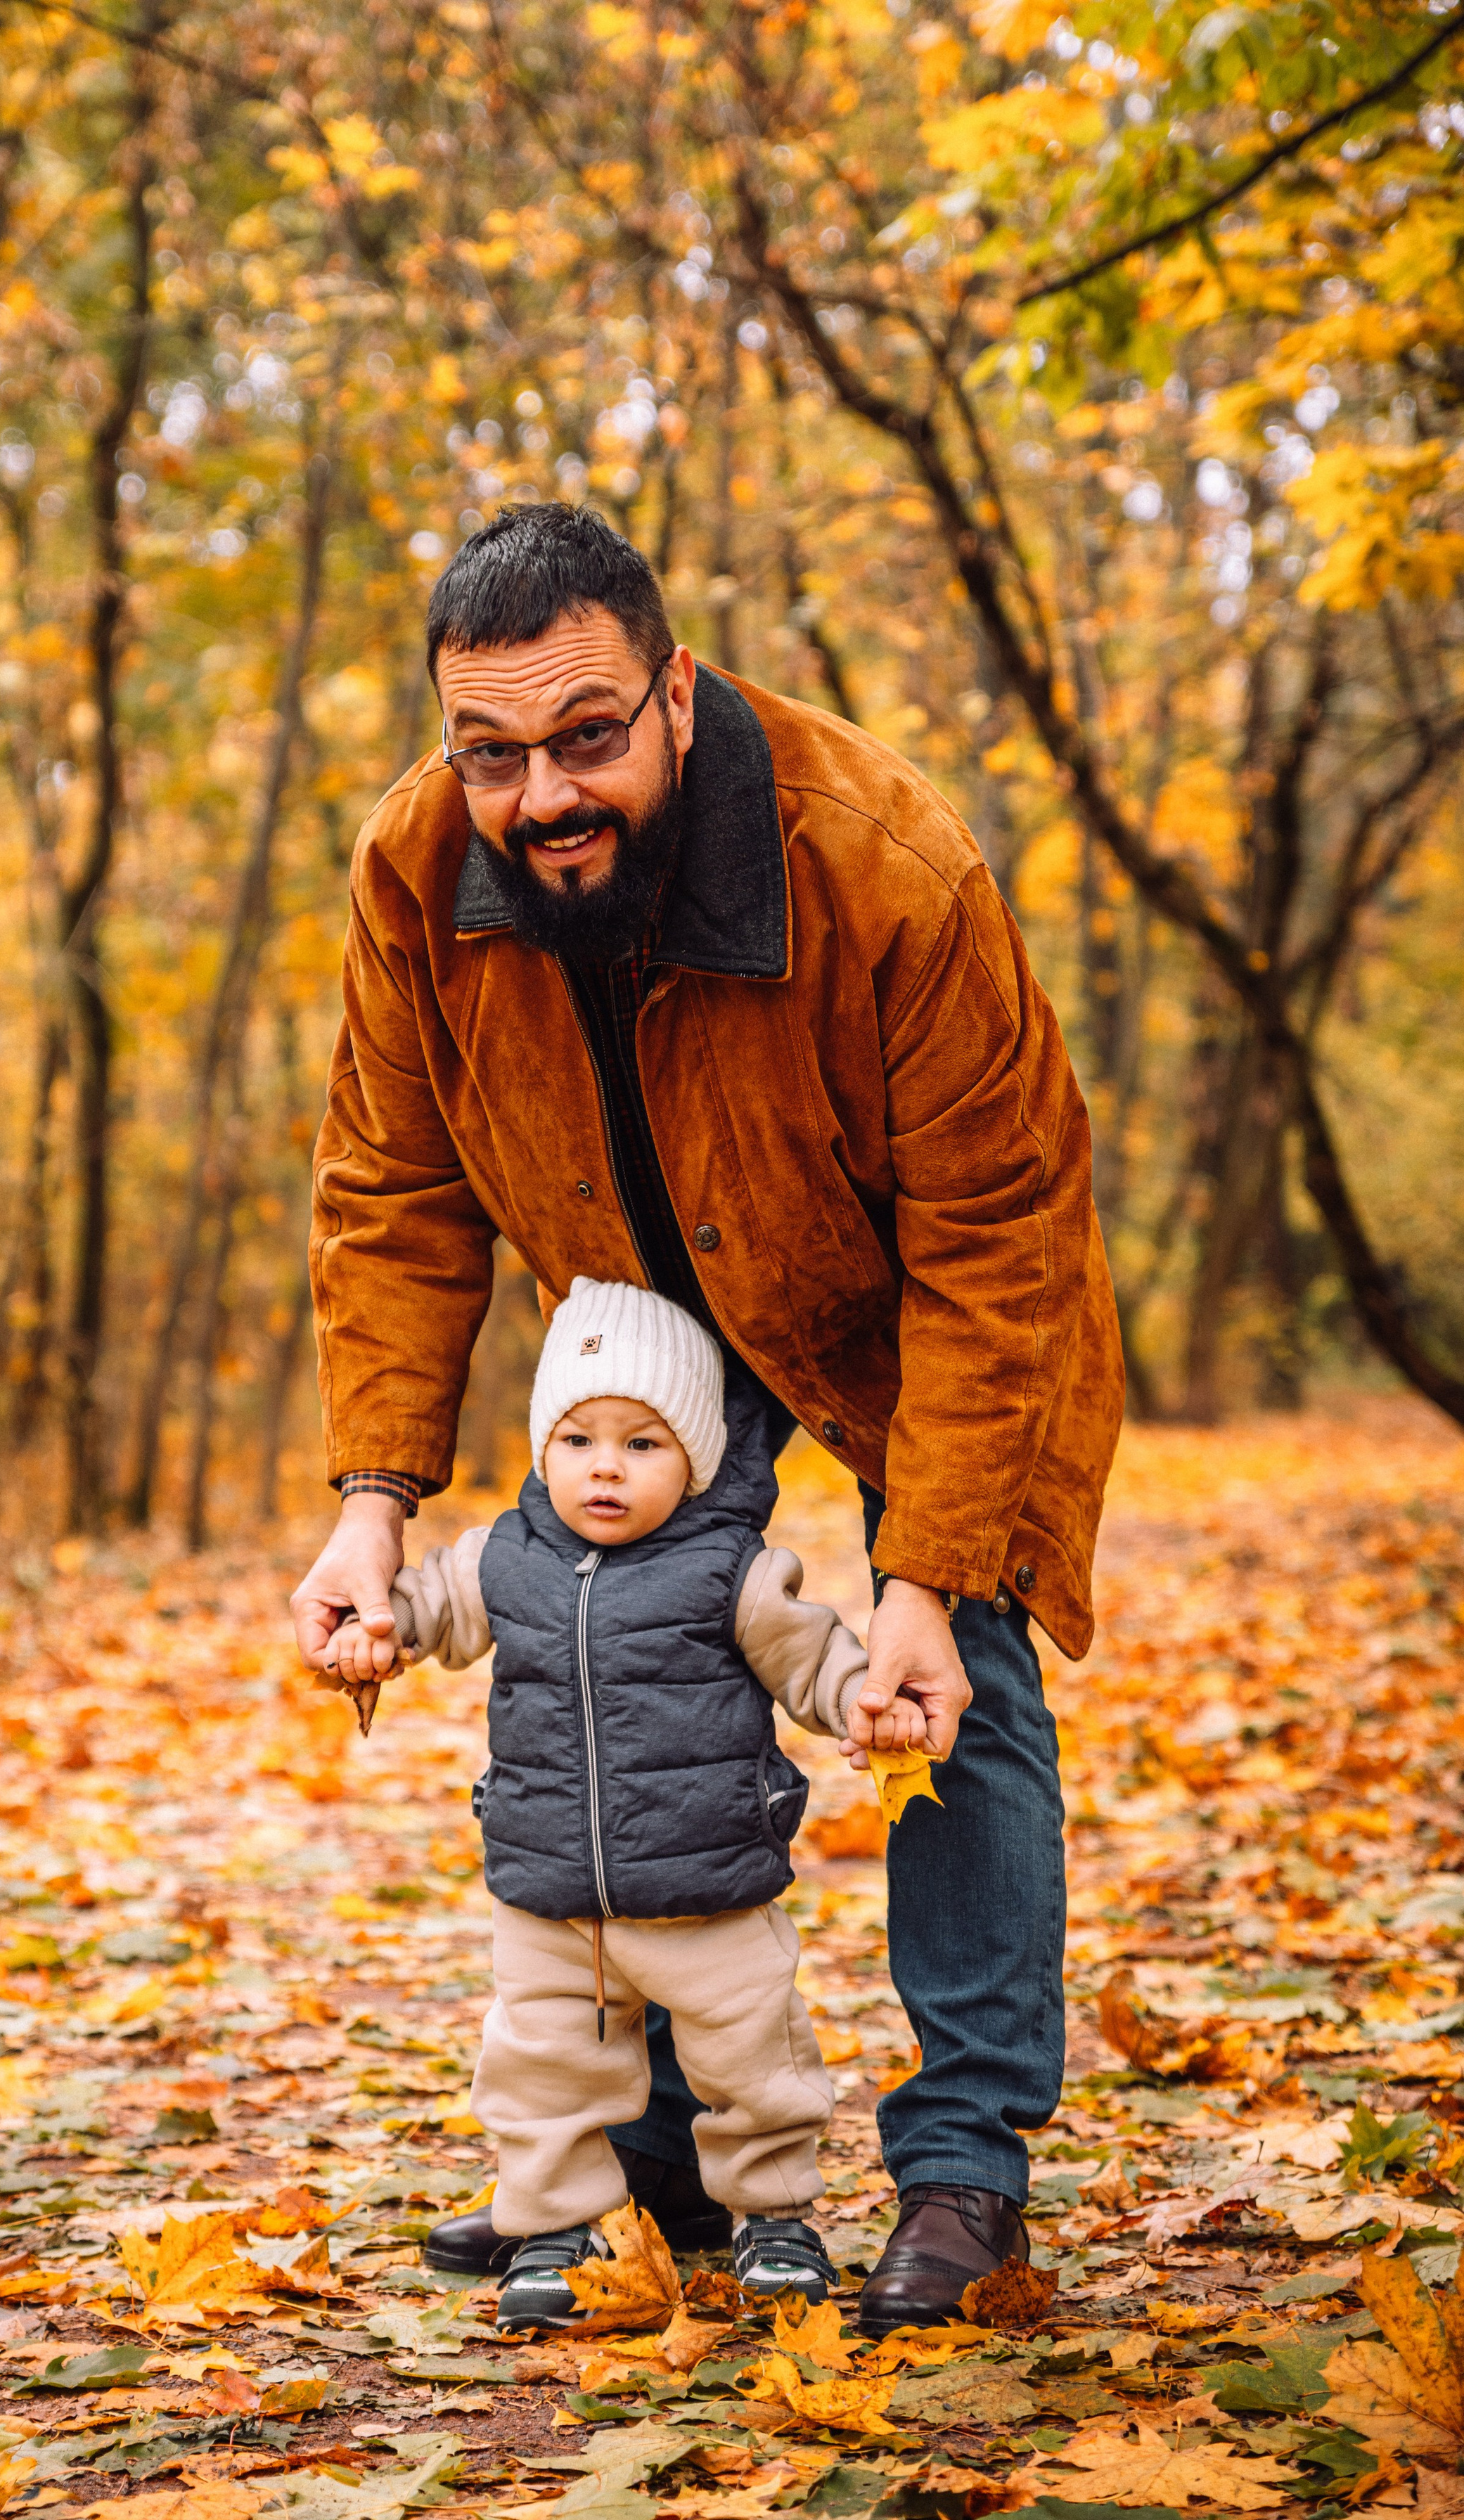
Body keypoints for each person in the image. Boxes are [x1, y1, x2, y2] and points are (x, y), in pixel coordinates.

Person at [291, 502, 1124, 2335]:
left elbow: (1001, 1241)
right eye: (491, 753)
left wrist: (919, 1572)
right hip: (629, 1307)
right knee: (625, 1651)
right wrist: (374, 1501)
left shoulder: (884, 859)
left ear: (676, 696)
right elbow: (392, 1188)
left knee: (947, 1676)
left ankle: (968, 2173)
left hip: (899, 1290)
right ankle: (650, 2162)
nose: (542, 795)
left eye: (588, 736)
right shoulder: (419, 869)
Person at [321, 1278, 960, 2327]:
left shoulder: (732, 1571)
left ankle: (773, 2215)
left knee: (753, 2057)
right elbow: (422, 1611)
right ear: (542, 1447)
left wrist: (865, 1700)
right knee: (540, 2068)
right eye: (577, 1439)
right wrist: (372, 1632)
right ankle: (556, 2227)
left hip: (710, 1884)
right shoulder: (501, 1558)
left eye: (642, 1443)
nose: (605, 1466)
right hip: (548, 1892)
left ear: (699, 1458)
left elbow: (817, 1660)